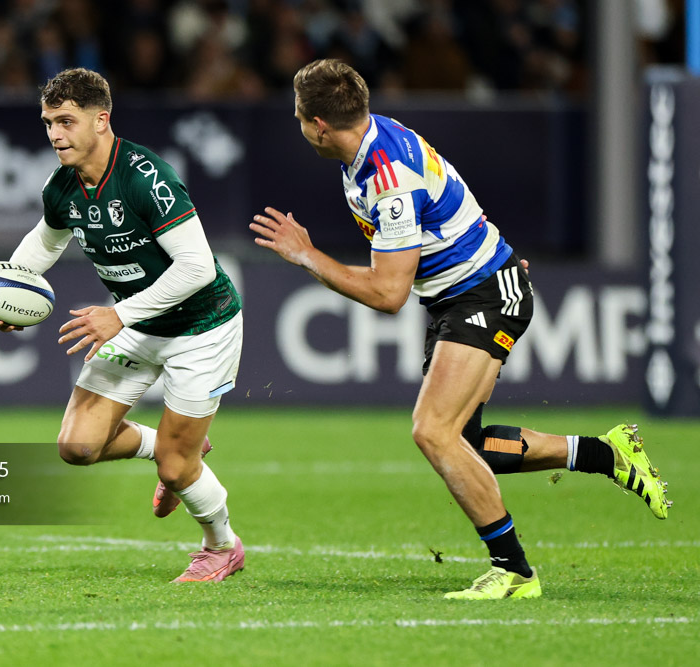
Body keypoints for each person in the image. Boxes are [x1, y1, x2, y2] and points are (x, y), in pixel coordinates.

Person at [251, 58, 671, 600]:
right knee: (467, 444)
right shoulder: (367, 146)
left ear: (318, 125)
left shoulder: (388, 178)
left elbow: (387, 293)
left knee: (432, 431)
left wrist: (307, 256)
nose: (299, 124)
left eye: (299, 115)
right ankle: (606, 454)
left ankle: (514, 571)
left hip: (486, 293)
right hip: (461, 295)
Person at [0, 67, 245, 583]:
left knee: (176, 469)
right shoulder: (63, 187)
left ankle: (221, 546)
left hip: (201, 327)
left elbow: (199, 268)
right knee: (77, 448)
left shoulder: (148, 178)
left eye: (66, 121)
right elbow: (44, 243)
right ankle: (171, 445)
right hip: (139, 326)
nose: (55, 134)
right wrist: (9, 294)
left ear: (101, 120)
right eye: (48, 122)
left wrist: (119, 313)